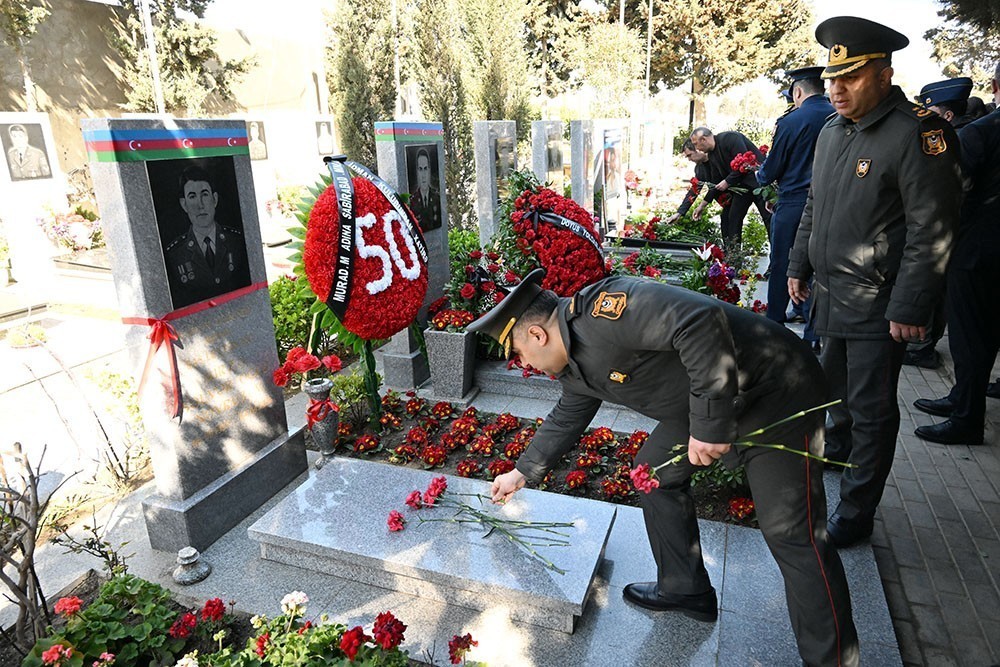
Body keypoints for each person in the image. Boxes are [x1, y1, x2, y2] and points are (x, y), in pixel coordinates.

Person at [476, 268, 859, 667]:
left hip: (775, 391)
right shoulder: (573, 364)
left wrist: (709, 424)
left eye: (518, 354)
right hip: (714, 403)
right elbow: (567, 415)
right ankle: (685, 587)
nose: (523, 364)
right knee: (653, 473)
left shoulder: (605, 313)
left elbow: (699, 321)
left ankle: (831, 661)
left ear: (537, 335)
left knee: (793, 535)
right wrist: (522, 471)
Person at [786, 17, 963, 547]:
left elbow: (933, 228)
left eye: (852, 77)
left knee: (871, 410)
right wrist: (798, 264)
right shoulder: (832, 130)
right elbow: (815, 204)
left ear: (884, 75)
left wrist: (910, 306)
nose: (837, 89)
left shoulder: (918, 134)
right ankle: (836, 458)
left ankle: (856, 510)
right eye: (832, 78)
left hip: (877, 302)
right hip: (831, 294)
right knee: (833, 395)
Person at [913, 63, 1000, 446]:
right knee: (986, 335)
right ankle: (961, 396)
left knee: (969, 337)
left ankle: (966, 417)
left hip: (977, 251)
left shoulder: (982, 131)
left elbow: (950, 190)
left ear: (995, 85)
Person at [756, 66, 834, 354]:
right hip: (828, 205)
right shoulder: (839, 116)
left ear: (797, 91)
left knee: (783, 264)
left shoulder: (792, 120)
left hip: (794, 202)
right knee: (818, 268)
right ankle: (813, 334)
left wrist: (761, 177)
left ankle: (774, 328)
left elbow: (772, 168)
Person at [901, 77, 976, 369]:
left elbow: (953, 189)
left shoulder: (957, 138)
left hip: (952, 230)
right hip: (961, 231)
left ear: (947, 115)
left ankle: (921, 347)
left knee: (934, 290)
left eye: (930, 110)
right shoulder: (966, 132)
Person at [164, 165, 251, 308]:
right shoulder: (175, 254)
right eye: (192, 196)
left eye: (204, 194)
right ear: (184, 204)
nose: (200, 205)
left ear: (214, 199)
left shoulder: (236, 241)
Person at [689, 127, 772, 256]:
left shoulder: (730, 138)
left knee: (769, 219)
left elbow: (744, 163)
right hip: (742, 188)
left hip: (758, 183)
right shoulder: (712, 155)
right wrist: (702, 205)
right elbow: (716, 181)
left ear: (703, 139)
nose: (697, 148)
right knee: (732, 218)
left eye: (696, 144)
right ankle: (733, 257)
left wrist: (727, 181)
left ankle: (778, 260)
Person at [667, 140, 712, 221]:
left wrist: (702, 205)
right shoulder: (699, 169)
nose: (689, 159)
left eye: (689, 155)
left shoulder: (717, 157)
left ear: (698, 149)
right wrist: (679, 213)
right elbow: (695, 190)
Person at [409, 148, 441, 231]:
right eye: (420, 169)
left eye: (425, 168)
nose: (423, 175)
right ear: (417, 172)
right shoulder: (412, 201)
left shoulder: (437, 198)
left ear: (429, 170)